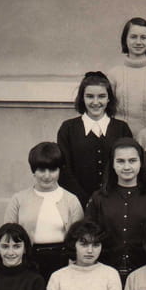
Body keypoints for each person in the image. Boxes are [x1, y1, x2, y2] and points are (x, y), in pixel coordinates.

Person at [85, 137, 146, 279]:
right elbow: (89, 235)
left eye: (132, 161)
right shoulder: (98, 198)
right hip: (105, 272)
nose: (127, 167)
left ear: (141, 163)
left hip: (145, 272)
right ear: (112, 164)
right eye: (120, 161)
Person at [4, 141, 83, 283]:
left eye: (52, 170)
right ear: (33, 170)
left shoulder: (71, 200)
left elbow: (79, 239)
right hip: (28, 262)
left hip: (63, 263)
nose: (47, 176)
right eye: (41, 170)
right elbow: (7, 237)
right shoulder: (18, 200)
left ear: (60, 170)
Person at [57, 71, 133, 206]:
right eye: (90, 96)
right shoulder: (68, 128)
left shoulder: (121, 128)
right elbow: (64, 170)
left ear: (109, 99)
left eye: (102, 96)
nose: (96, 102)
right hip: (77, 203)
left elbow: (128, 168)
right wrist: (84, 200)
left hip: (115, 203)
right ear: (82, 98)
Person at [108, 17, 146, 136]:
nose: (138, 42)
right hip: (121, 137)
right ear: (125, 40)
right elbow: (108, 110)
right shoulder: (114, 74)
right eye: (133, 37)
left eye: (143, 37)